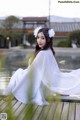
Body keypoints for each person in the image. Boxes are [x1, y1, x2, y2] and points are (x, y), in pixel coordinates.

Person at [2, 26, 80, 105]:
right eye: (38, 37)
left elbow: (31, 72)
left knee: (17, 74)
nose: (39, 40)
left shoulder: (43, 53)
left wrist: (17, 89)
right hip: (43, 81)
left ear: (48, 39)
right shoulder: (49, 51)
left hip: (39, 81)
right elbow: (53, 71)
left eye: (42, 38)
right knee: (18, 73)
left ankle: (16, 91)